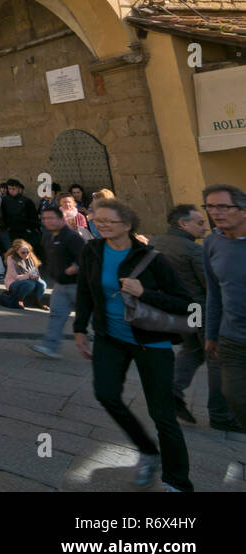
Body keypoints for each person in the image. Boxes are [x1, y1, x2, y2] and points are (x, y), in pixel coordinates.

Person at [74, 198, 195, 492]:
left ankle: (177, 482)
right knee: (106, 394)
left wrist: (146, 293)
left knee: (162, 415)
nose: (99, 224)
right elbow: (85, 290)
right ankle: (147, 451)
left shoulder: (153, 259)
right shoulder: (92, 250)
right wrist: (80, 327)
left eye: (107, 221)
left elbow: (188, 306)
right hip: (109, 338)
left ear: (127, 225)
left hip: (150, 343)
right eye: (96, 220)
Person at [149, 204, 234, 429]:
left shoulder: (155, 242)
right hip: (200, 312)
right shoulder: (193, 250)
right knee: (217, 360)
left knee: (193, 351)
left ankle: (172, 392)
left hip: (177, 311)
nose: (205, 228)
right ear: (183, 224)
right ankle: (221, 415)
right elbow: (211, 287)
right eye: (199, 223)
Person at [203, 184, 246, 432]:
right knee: (235, 396)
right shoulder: (212, 243)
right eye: (210, 206)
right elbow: (214, 292)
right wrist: (210, 333)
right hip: (231, 337)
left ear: (243, 210)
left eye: (223, 206)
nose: (215, 212)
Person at [30, 204, 85, 359]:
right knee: (56, 315)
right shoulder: (48, 237)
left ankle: (112, 344)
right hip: (60, 285)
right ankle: (50, 346)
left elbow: (85, 257)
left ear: (61, 219)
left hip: (78, 285)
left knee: (92, 317)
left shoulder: (72, 237)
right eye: (45, 218)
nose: (47, 221)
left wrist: (74, 267)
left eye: (51, 218)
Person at [2, 240, 49, 309]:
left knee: (42, 283)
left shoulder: (30, 258)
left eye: (28, 252)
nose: (26, 254)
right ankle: (19, 300)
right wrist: (29, 276)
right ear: (16, 252)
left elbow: (36, 272)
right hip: (13, 282)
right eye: (23, 253)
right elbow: (16, 277)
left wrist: (36, 277)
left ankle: (38, 301)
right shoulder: (11, 258)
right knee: (30, 284)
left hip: (28, 279)